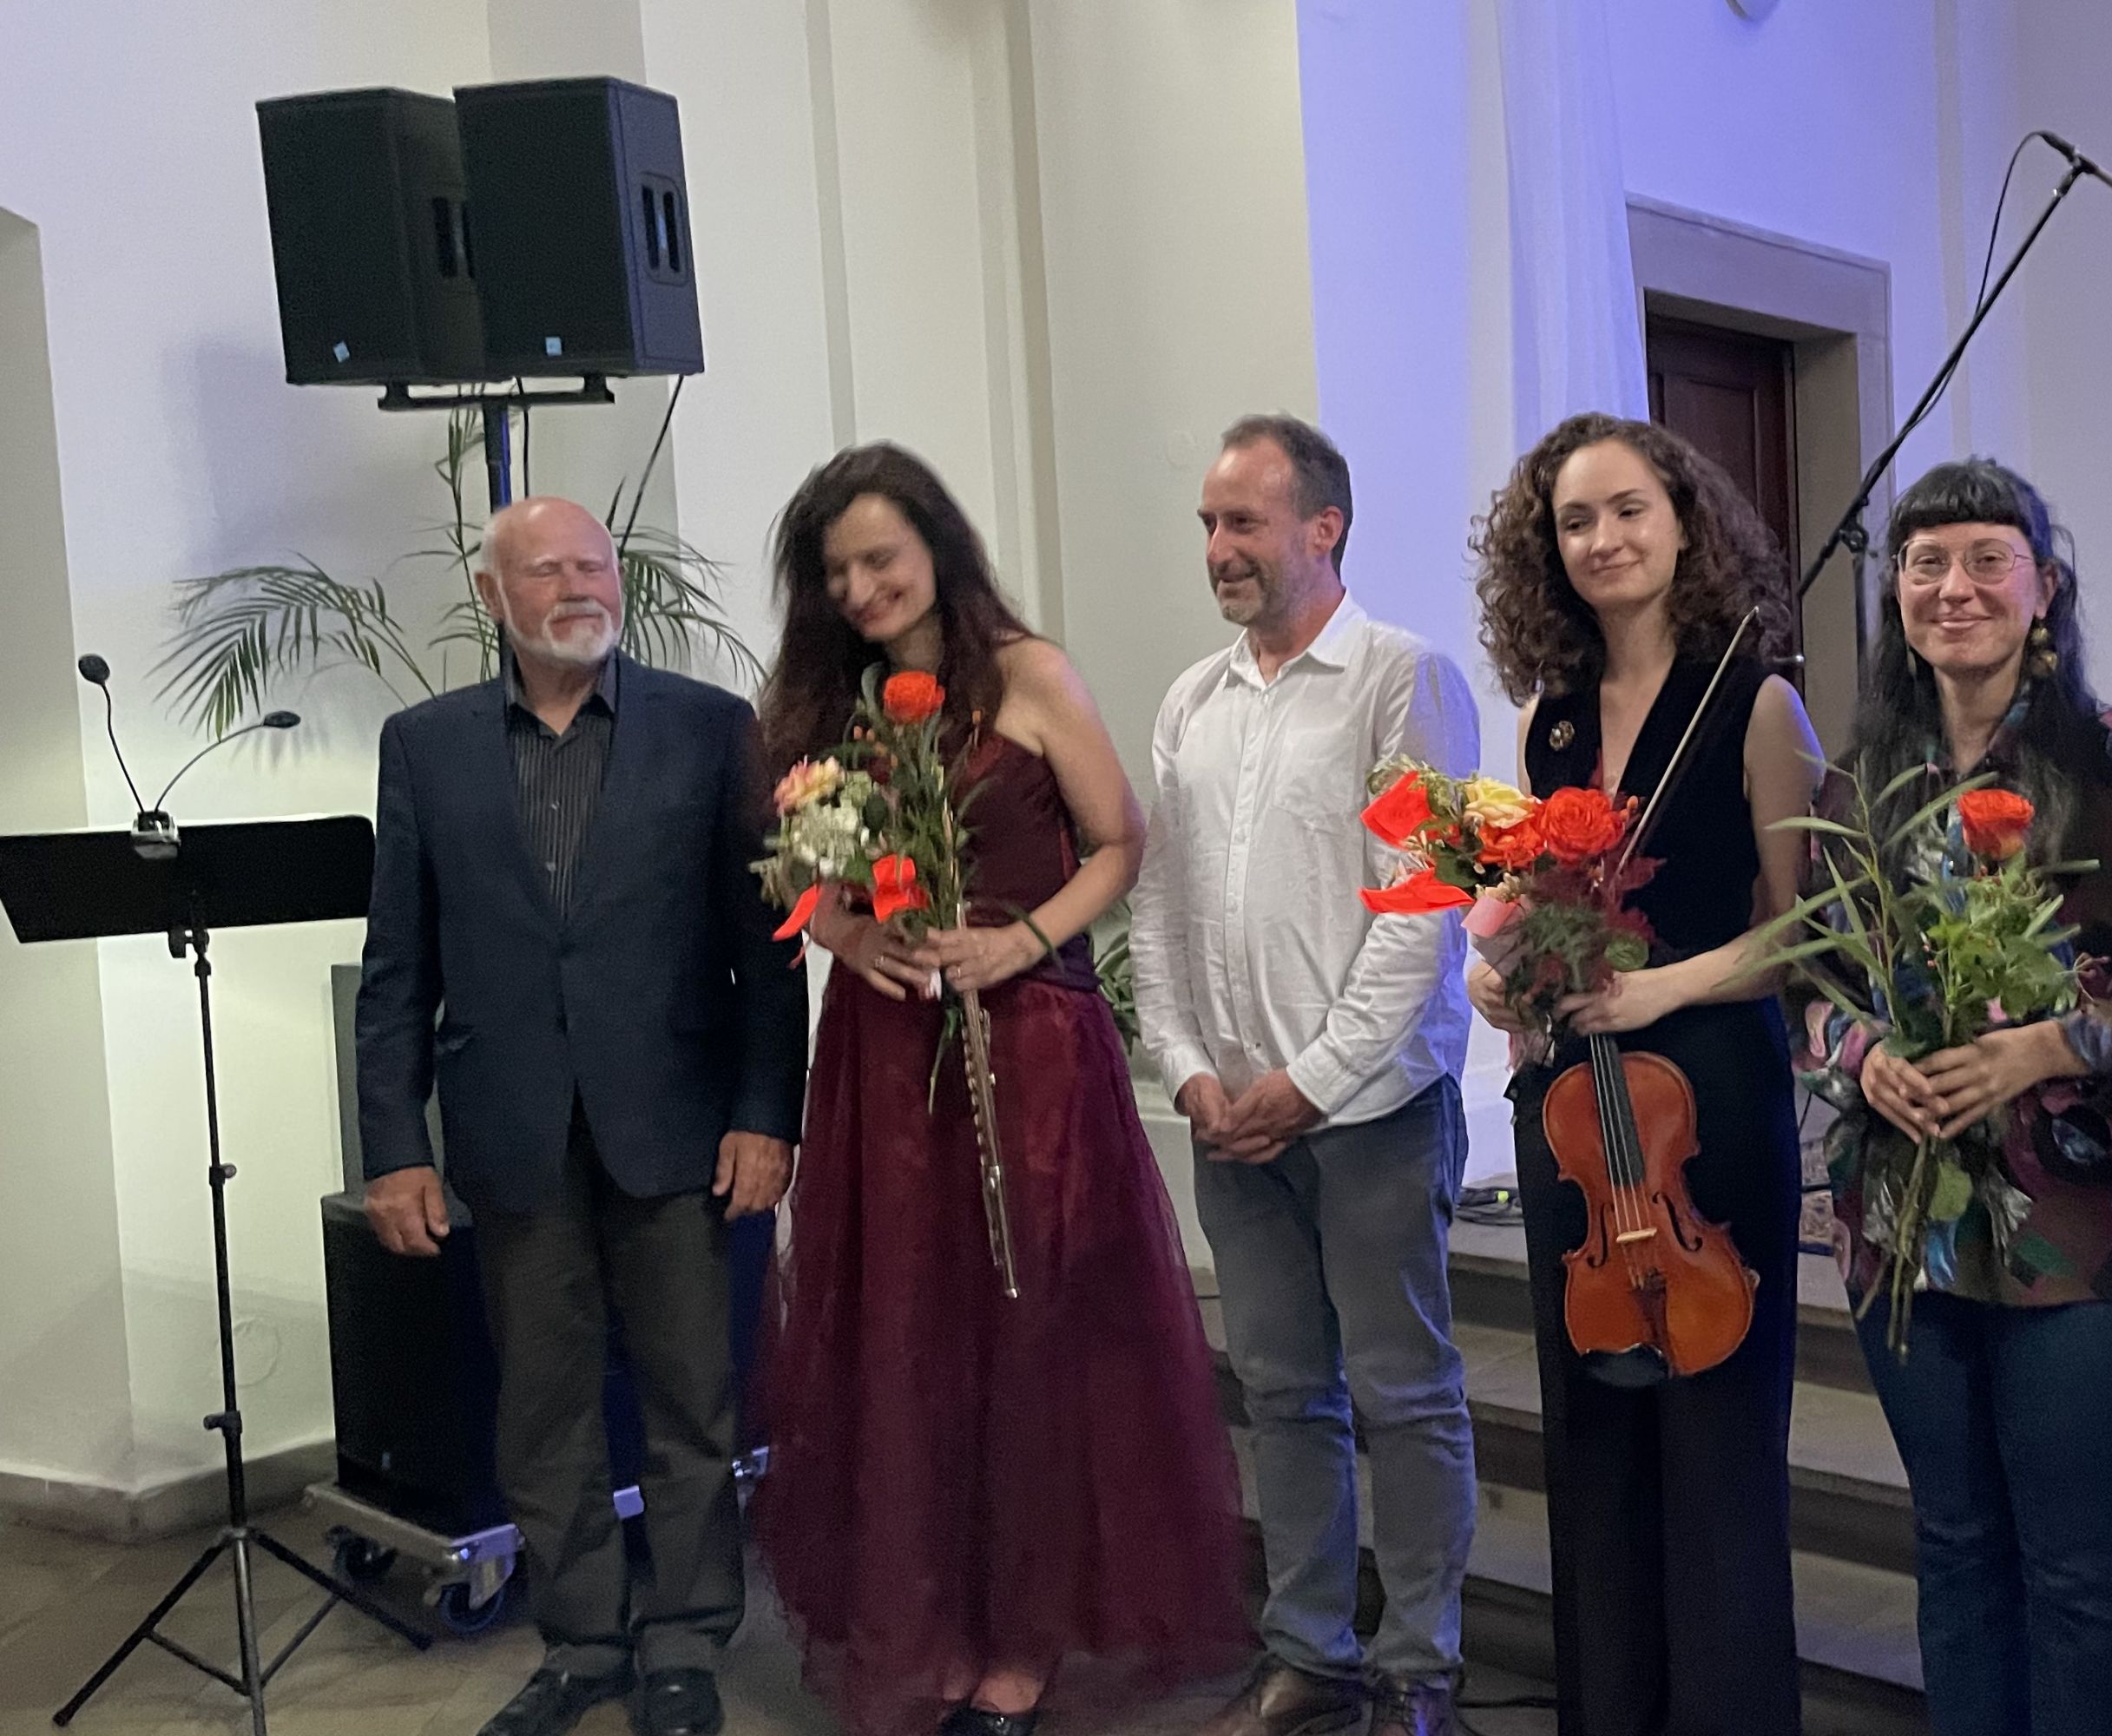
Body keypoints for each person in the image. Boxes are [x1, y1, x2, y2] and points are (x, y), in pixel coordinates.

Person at [746, 444, 1247, 1736]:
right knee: (905, 1339)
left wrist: (1022, 941)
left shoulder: (1028, 675)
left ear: (937, 548)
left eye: (880, 558)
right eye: (835, 571)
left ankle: (1022, 1647)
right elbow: (791, 878)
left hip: (1025, 1047)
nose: (860, 588)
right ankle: (931, 1624)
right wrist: (845, 933)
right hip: (882, 1056)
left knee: (1031, 1336)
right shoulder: (821, 706)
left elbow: (1121, 841)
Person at [1800, 458, 2112, 1736]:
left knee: (2074, 1567)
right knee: (1954, 1547)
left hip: (2093, 1222)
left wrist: (2054, 1046)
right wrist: (1863, 1059)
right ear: (1896, 594)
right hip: (1905, 1215)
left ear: (2044, 588)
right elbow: (1814, 990)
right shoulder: (1861, 782)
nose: (1954, 589)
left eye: (1987, 561)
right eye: (1926, 564)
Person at [357, 496, 807, 1736]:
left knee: (691, 1398)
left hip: (680, 1124)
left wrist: (767, 1114)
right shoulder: (425, 746)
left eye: (594, 566)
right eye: (547, 571)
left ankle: (686, 1637)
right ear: (493, 597)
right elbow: (398, 963)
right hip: (510, 1132)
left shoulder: (712, 729)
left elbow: (768, 949)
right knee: (543, 1408)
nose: (578, 588)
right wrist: (394, 1145)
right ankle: (584, 1642)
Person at [1467, 411, 1819, 1736]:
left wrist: (1665, 987)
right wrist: (1497, 974)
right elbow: (1523, 907)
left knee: (1717, 1437)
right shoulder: (1547, 723)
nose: (1604, 539)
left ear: (1685, 522)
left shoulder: (1758, 698)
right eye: (1576, 521)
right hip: (1573, 1107)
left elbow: (1804, 927)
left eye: (1629, 511)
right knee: (1594, 1433)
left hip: (1707, 1095)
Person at [1133, 414, 1481, 1736]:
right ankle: (1309, 1651)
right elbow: (1161, 907)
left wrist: (1316, 1080)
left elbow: (1422, 907)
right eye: (1209, 526)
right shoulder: (1193, 700)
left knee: (1404, 1394)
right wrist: (1186, 1068)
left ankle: (1420, 1665)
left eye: (1244, 522)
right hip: (1233, 1118)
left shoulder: (1402, 679)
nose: (1218, 548)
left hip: (1371, 1113)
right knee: (1283, 1394)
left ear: (1324, 527)